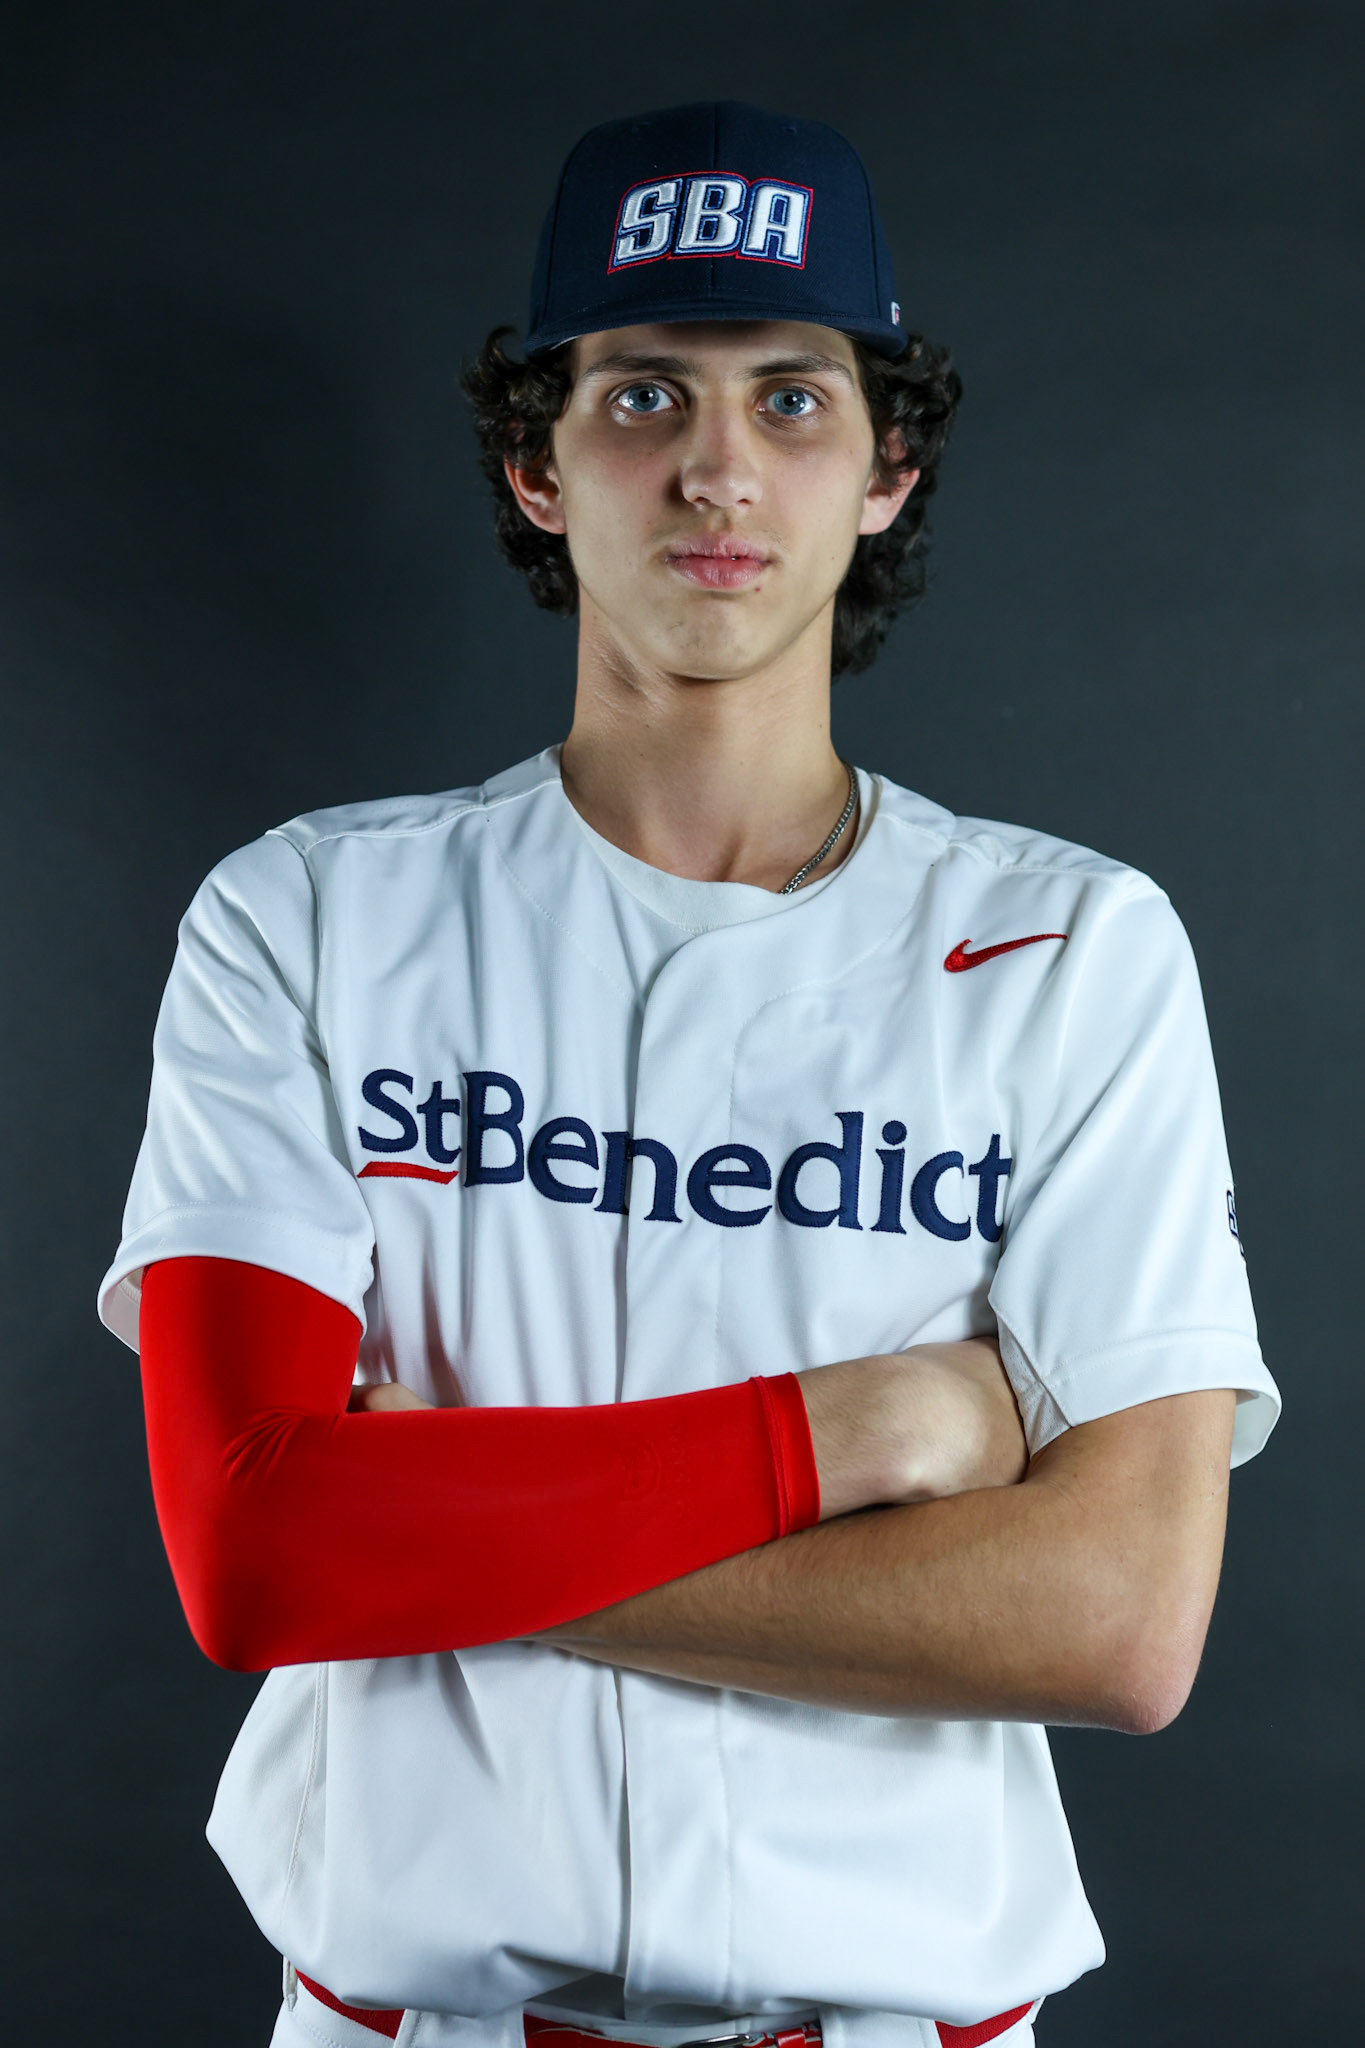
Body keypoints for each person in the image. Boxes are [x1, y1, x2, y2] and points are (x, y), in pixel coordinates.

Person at [99, 101, 1281, 2048]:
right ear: (535, 464)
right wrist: (858, 1436)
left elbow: (1115, 1619)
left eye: (790, 400)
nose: (716, 468)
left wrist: (427, 1528)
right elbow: (252, 1555)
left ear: (886, 469)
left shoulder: (1073, 949)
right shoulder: (308, 916)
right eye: (640, 396)